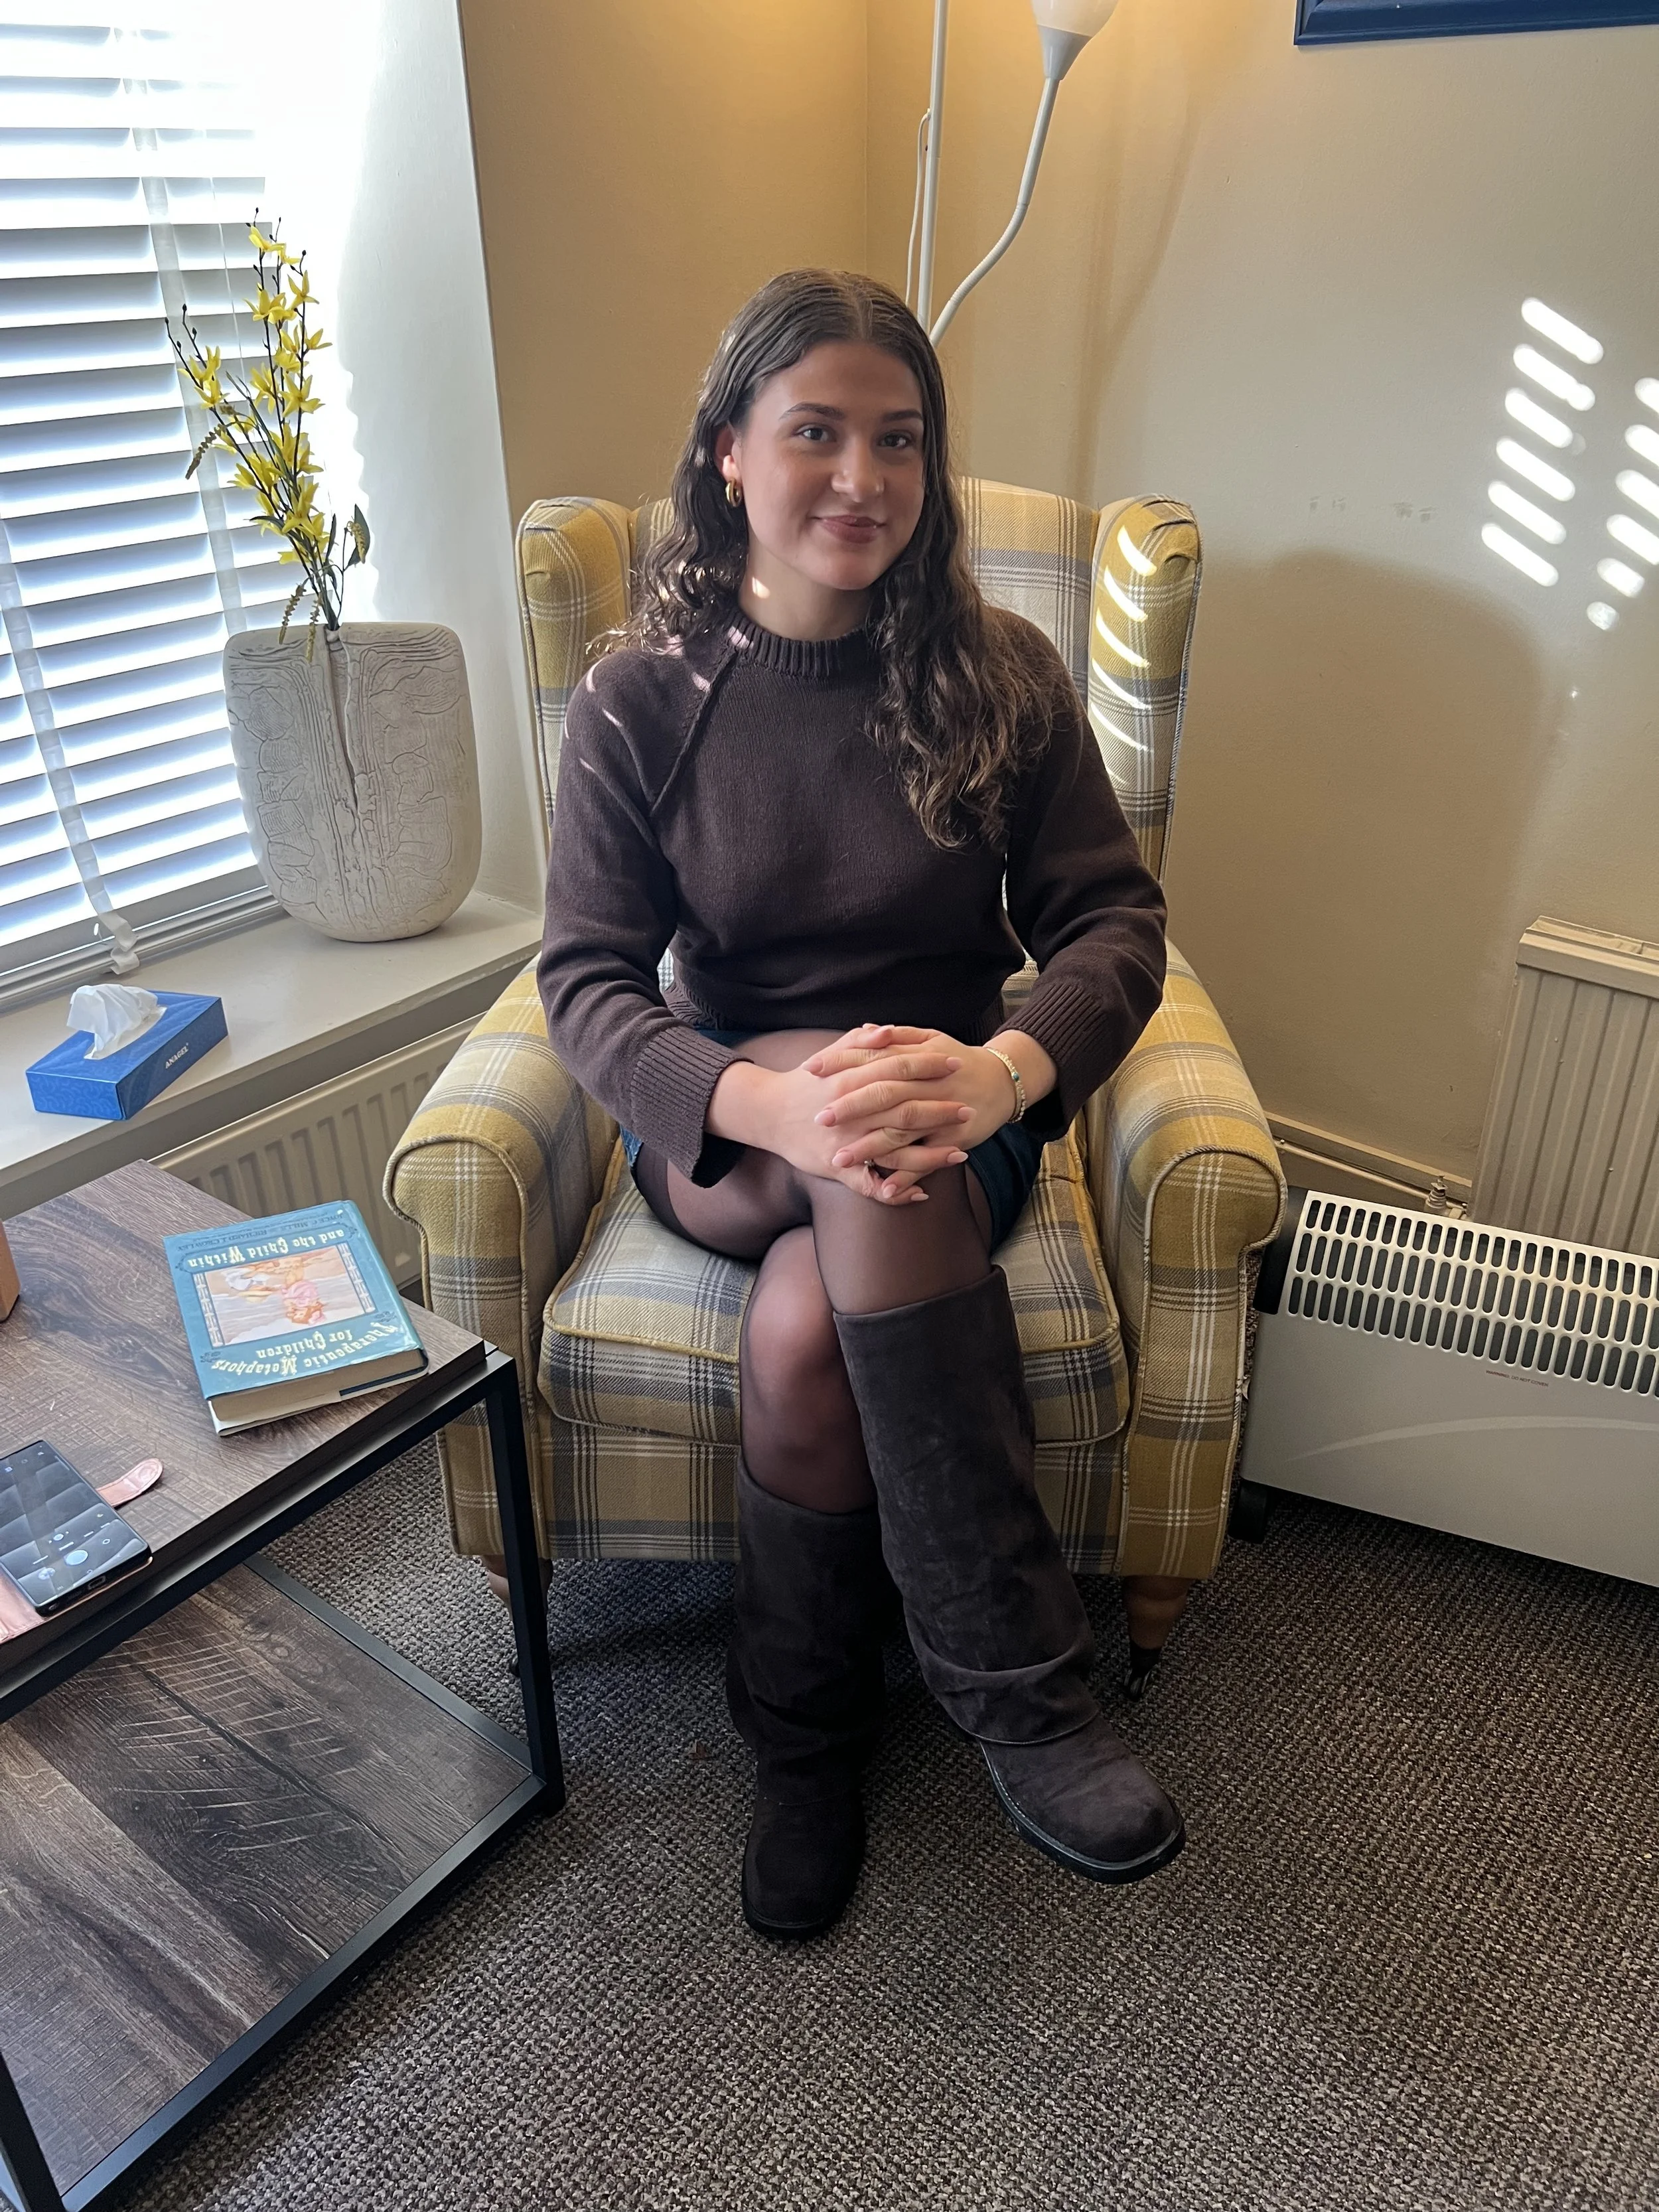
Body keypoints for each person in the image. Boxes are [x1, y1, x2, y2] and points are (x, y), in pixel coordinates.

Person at [539, 269, 1183, 1942]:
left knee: (817, 1310)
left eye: (897, 440)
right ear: (727, 454)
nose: (861, 478)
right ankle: (1020, 1687)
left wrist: (1003, 1070)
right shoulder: (638, 700)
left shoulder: (1002, 676)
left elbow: (1112, 924)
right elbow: (586, 984)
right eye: (813, 431)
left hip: (952, 1107)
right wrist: (760, 1099)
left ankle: (804, 1738)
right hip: (732, 1124)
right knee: (852, 1159)